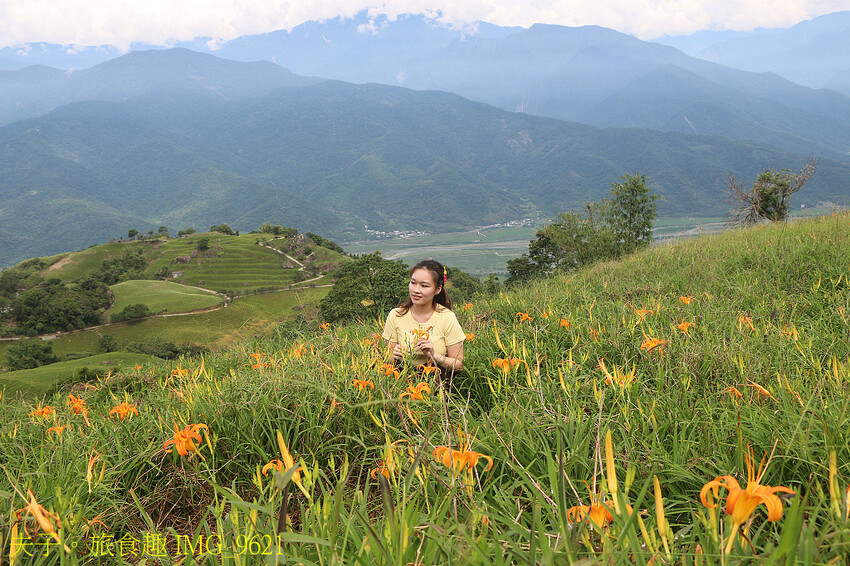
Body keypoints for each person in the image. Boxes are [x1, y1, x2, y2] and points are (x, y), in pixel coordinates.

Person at [382, 259, 465, 377]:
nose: (416, 290)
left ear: (438, 289)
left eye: (424, 285)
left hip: (435, 381)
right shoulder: (396, 315)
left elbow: (458, 365)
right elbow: (387, 360)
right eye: (413, 283)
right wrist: (394, 356)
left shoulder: (447, 317)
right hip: (401, 378)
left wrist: (434, 355)